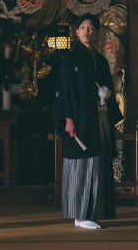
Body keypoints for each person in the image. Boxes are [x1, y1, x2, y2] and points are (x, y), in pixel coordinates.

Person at [53, 13, 123, 229]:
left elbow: (107, 86)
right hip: (81, 119)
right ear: (76, 32)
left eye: (90, 28)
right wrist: (68, 118)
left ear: (96, 32)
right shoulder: (71, 60)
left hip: (99, 118)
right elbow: (64, 91)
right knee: (81, 165)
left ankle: (93, 212)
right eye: (82, 27)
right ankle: (80, 215)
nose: (86, 31)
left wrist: (106, 94)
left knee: (99, 165)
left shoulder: (100, 60)